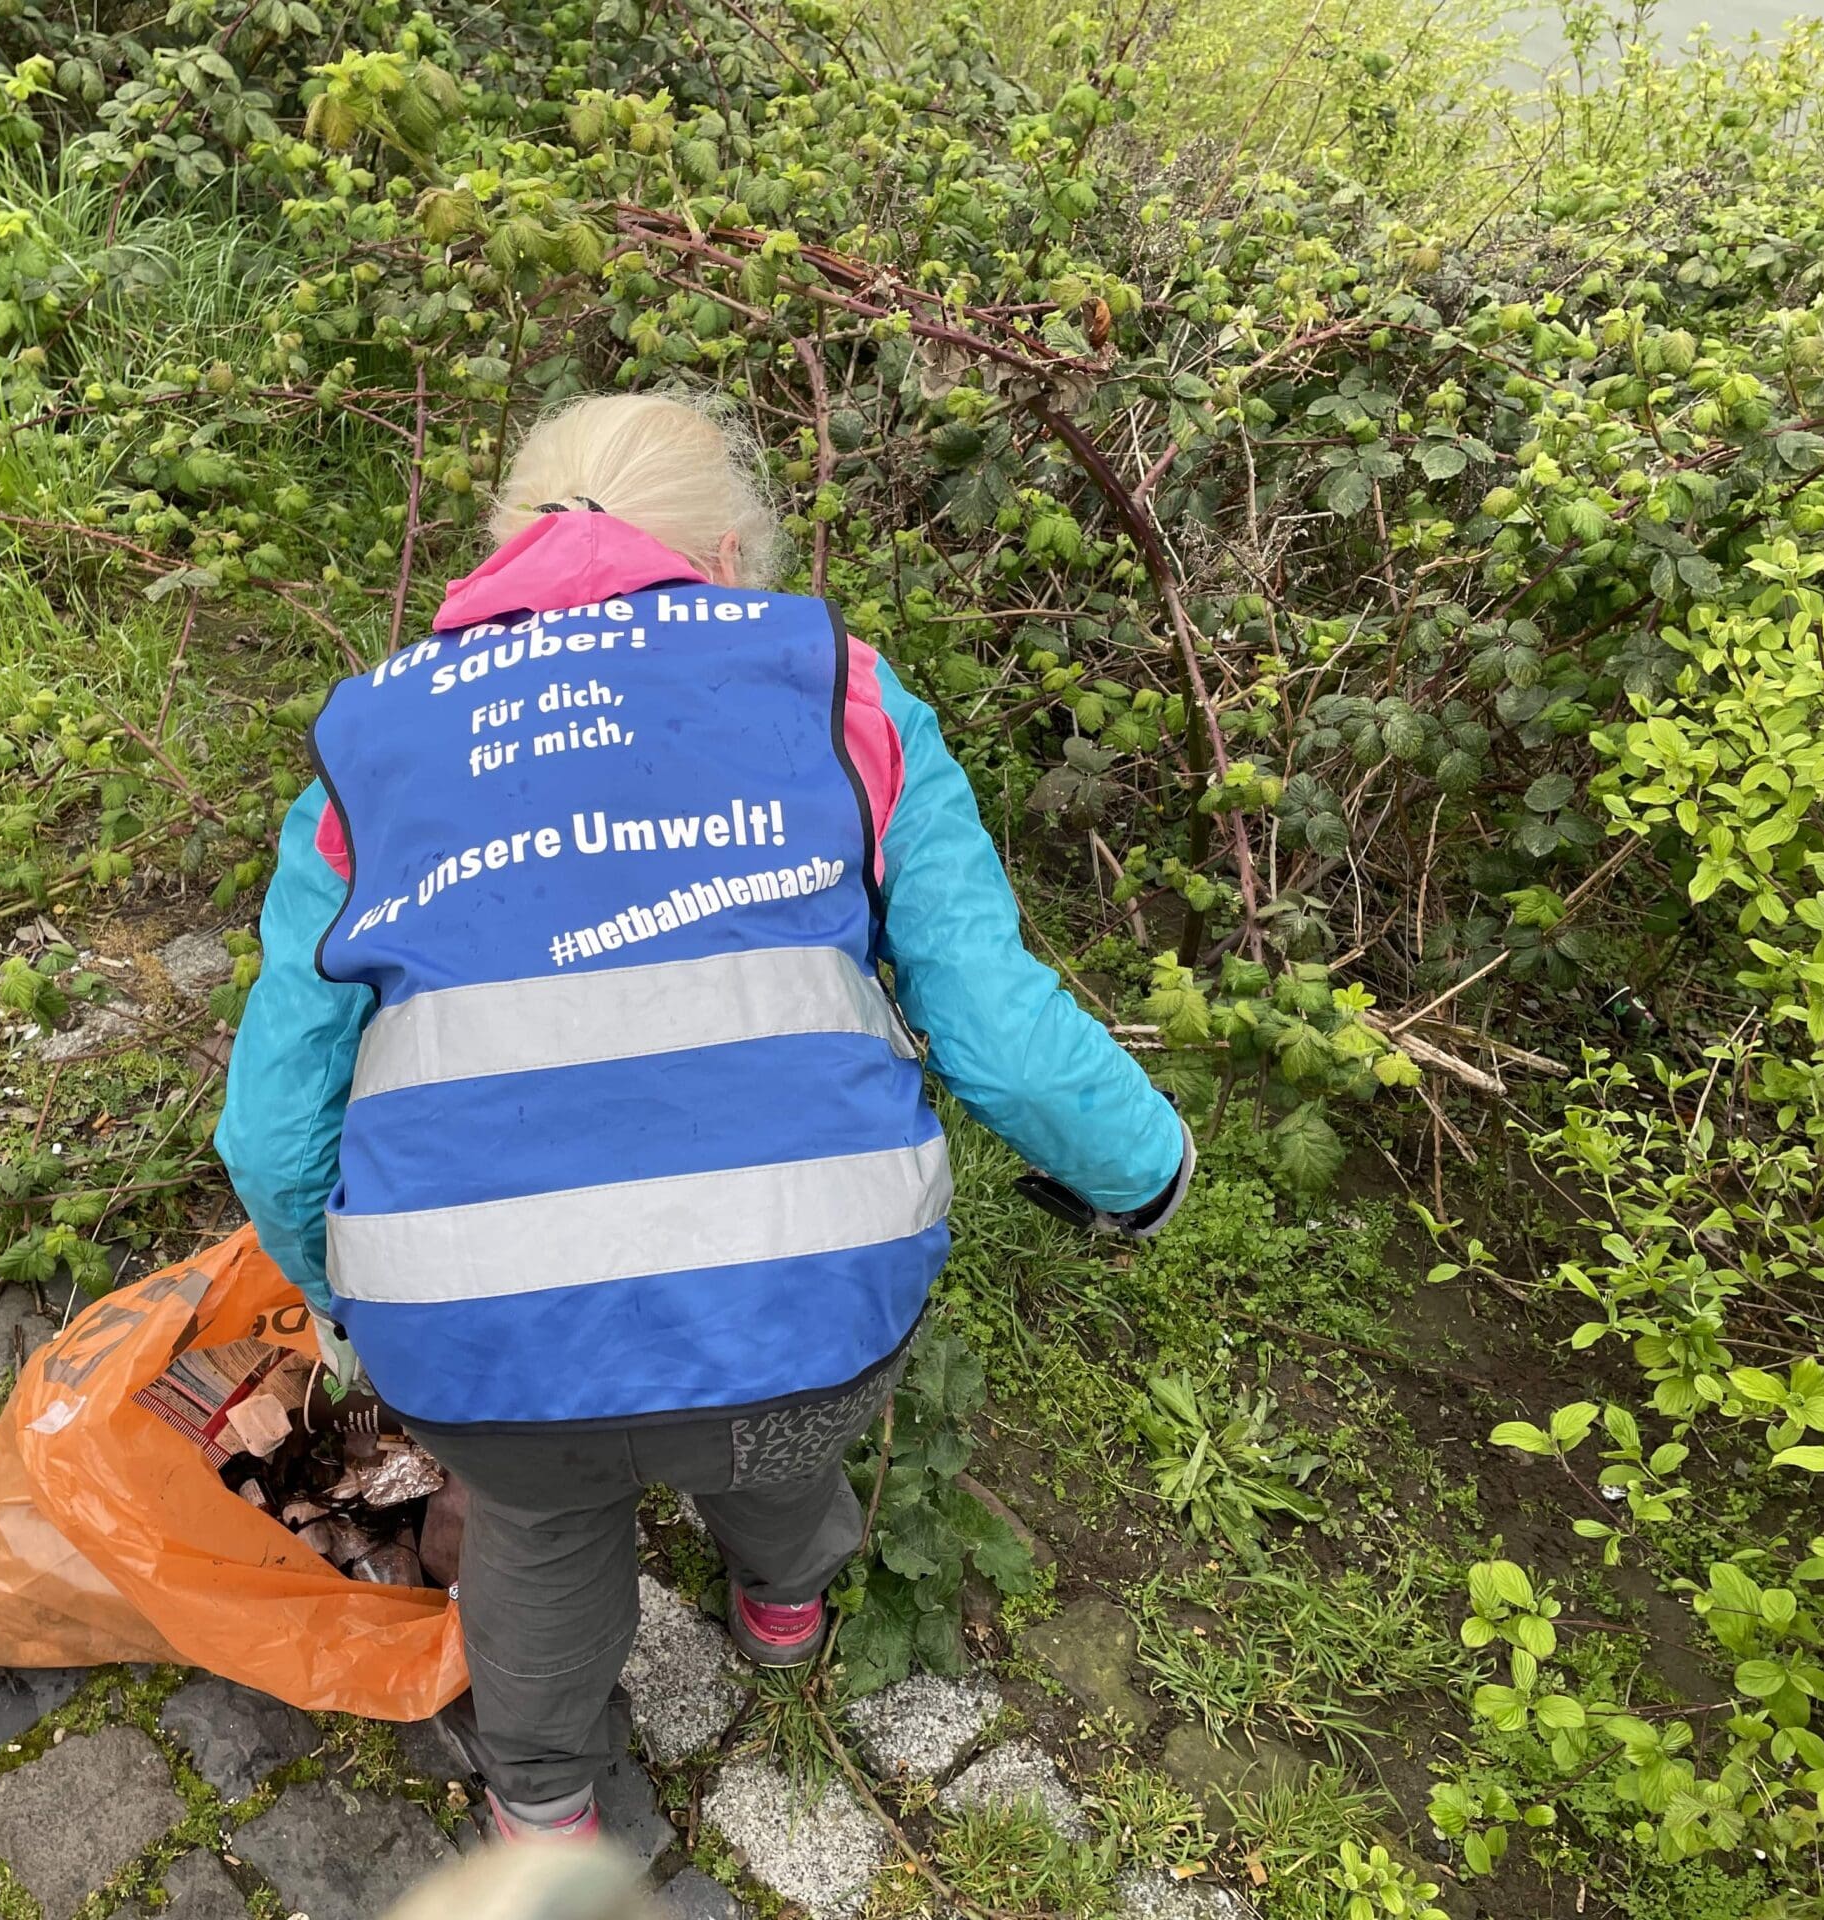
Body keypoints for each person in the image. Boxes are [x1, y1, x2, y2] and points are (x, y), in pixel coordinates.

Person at [217, 390, 1189, 1840]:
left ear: (499, 558)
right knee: (785, 1439)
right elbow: (999, 1030)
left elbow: (271, 1125)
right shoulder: (837, 689)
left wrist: (351, 1308)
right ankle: (781, 1608)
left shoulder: (377, 745)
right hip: (808, 1297)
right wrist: (1144, 1170)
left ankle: (544, 1805)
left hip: (476, 1337)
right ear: (728, 556)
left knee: (539, 1535)